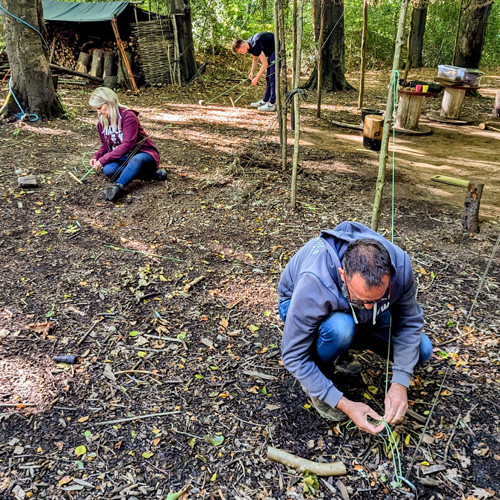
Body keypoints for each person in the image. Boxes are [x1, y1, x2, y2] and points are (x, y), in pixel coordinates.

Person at [278, 221, 433, 435]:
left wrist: (400, 382)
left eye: (378, 298)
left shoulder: (401, 265)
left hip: (359, 316)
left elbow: (409, 322)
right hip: (298, 305)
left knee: (422, 349)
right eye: (361, 299)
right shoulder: (314, 281)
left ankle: (344, 344)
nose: (369, 305)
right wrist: (342, 402)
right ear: (343, 275)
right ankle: (320, 379)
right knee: (340, 328)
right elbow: (292, 354)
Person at [89, 87, 166, 201]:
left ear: (109, 102)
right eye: (97, 109)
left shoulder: (128, 116)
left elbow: (127, 145)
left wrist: (104, 159)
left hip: (144, 154)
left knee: (137, 160)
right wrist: (97, 157)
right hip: (123, 158)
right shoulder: (101, 124)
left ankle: (118, 186)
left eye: (100, 108)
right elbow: (105, 145)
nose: (99, 112)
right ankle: (150, 175)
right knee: (108, 170)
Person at [232, 32, 276, 112]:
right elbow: (255, 59)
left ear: (242, 46)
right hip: (270, 52)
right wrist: (252, 72)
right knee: (268, 77)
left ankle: (271, 104)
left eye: (240, 51)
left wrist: (256, 78)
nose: (241, 53)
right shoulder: (249, 46)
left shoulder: (255, 44)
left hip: (276, 49)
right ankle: (265, 101)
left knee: (272, 77)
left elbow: (265, 64)